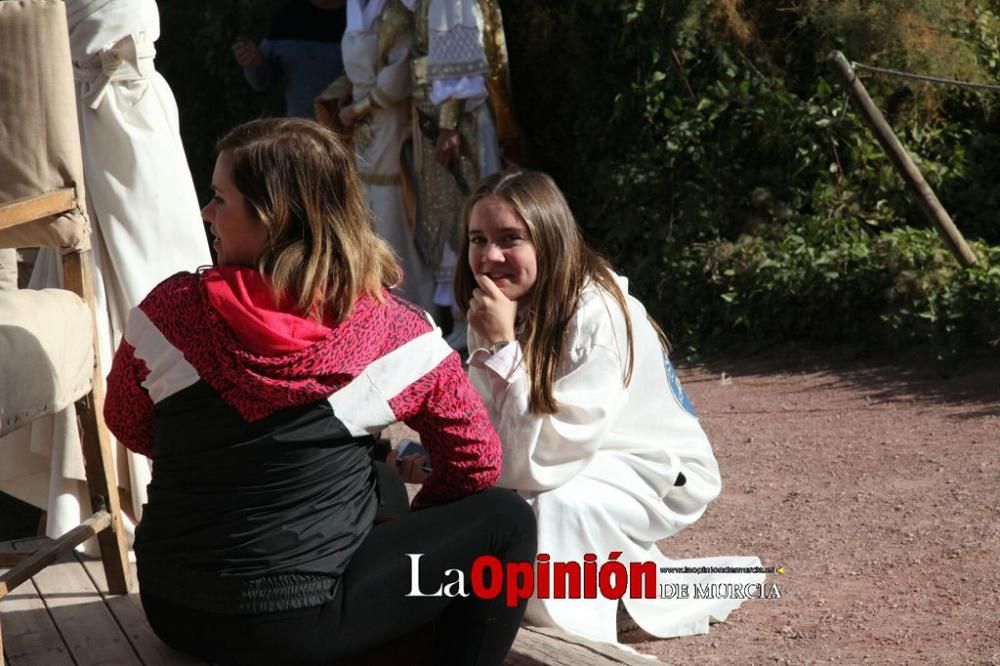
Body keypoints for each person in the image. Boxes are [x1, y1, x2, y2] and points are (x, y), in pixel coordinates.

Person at [103, 118, 536, 666]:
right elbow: (476, 463)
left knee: (378, 477)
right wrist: (419, 529)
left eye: (219, 199)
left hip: (174, 607)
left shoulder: (166, 312)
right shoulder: (394, 333)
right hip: (294, 625)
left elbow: (126, 420)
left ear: (275, 217)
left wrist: (225, 461)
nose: (206, 214)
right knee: (508, 520)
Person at [454, 169, 765, 647]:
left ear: (548, 238)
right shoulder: (501, 305)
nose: (490, 256)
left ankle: (576, 642)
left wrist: (500, 350)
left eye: (510, 239)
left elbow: (540, 461)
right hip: (578, 455)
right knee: (490, 503)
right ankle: (613, 599)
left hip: (657, 468)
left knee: (552, 505)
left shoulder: (594, 312)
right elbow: (492, 430)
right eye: (478, 239)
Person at [399, 0, 524, 348]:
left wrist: (448, 124)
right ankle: (465, 317)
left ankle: (477, 317)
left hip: (457, 127)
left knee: (464, 213)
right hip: (438, 120)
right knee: (450, 216)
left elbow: (463, 68)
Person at [315, 0, 437, 313]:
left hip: (390, 125)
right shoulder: (355, 12)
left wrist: (356, 109)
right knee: (364, 207)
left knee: (393, 209)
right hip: (360, 129)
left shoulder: (396, 15)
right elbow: (354, 72)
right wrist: (334, 97)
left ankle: (412, 306)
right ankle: (373, 302)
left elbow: (397, 79)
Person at [232, 0, 347, 119]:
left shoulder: (362, 16)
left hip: (359, 128)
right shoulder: (286, 17)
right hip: (305, 131)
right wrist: (253, 62)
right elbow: (262, 81)